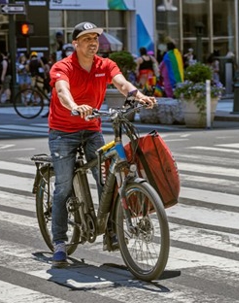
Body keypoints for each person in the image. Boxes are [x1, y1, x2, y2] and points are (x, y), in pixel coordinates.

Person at [47, 21, 156, 265]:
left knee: (107, 180)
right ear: (75, 43)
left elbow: (122, 83)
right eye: (86, 39)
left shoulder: (104, 65)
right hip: (63, 132)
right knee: (63, 187)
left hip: (92, 129)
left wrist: (139, 96)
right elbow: (63, 91)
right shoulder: (62, 66)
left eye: (95, 38)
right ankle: (60, 242)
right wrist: (75, 107)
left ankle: (110, 231)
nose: (93, 42)